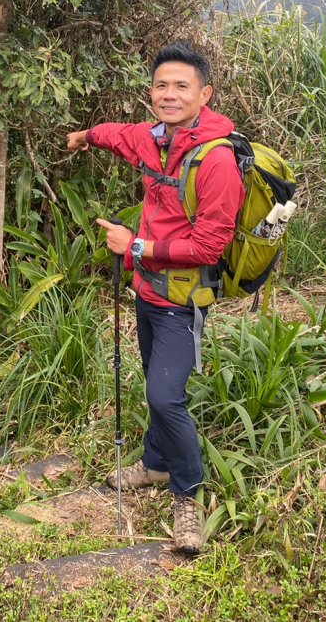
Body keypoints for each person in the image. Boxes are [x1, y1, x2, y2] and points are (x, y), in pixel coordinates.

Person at [65, 42, 244, 553]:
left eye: (181, 86)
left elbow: (211, 245)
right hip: (147, 290)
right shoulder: (153, 139)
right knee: (154, 384)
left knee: (166, 396)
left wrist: (136, 245)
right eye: (161, 85)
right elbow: (115, 136)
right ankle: (155, 463)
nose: (169, 94)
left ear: (204, 94)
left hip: (182, 299)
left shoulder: (217, 161)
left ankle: (187, 494)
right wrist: (84, 137)